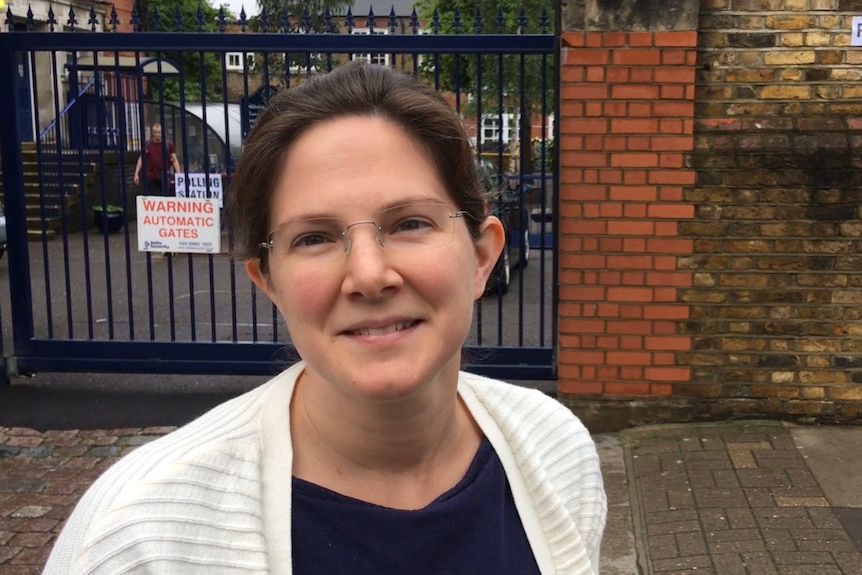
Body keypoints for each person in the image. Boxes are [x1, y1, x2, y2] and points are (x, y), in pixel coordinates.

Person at [43, 62, 606, 574]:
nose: (368, 274)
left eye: (411, 223)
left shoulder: (556, 449)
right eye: (313, 237)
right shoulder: (140, 536)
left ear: (482, 256)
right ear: (269, 281)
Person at [133, 122, 182, 195]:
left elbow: (174, 160)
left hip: (164, 177)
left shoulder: (168, 145)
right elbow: (141, 159)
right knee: (151, 199)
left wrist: (179, 175)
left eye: (159, 132)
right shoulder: (148, 144)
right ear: (152, 133)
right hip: (150, 177)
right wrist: (136, 173)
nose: (157, 134)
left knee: (165, 198)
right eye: (155, 132)